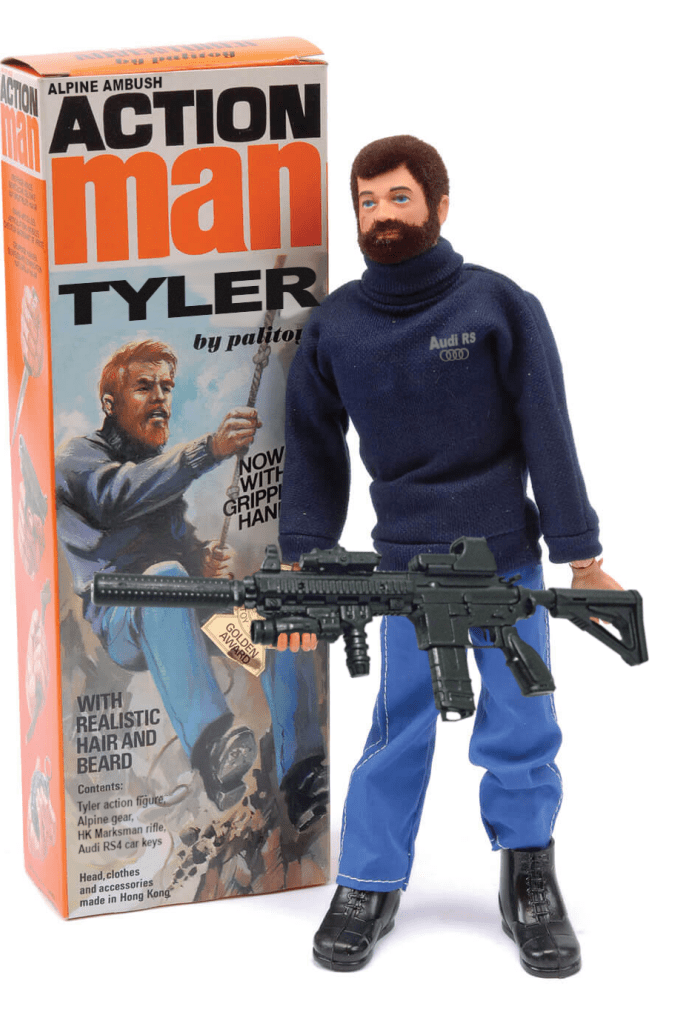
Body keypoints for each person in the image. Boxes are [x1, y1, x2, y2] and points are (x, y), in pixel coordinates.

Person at [278, 136, 621, 976]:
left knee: (523, 722)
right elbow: (313, 449)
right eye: (366, 202)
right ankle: (368, 880)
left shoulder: (496, 305)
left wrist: (581, 557)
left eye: (397, 197)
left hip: (504, 564)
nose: (381, 216)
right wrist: (303, 558)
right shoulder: (336, 328)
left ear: (437, 204)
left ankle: (527, 872)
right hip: (404, 573)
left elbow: (548, 430)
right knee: (397, 727)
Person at [56, 339, 326, 823]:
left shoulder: (154, 469)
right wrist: (209, 450)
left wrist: (203, 559)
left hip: (188, 608)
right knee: (166, 578)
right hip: (124, 622)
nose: (160, 398)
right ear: (110, 404)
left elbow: (177, 540)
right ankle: (214, 748)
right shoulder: (78, 458)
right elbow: (116, 498)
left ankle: (302, 772)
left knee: (275, 621)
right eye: (145, 387)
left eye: (166, 387)